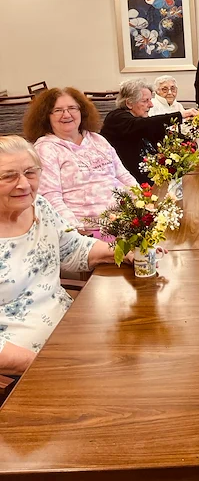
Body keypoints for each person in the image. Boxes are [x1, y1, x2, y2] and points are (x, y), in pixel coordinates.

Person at [0, 135, 131, 376]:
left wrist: (125, 251)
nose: (24, 185)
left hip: (70, 329)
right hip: (28, 365)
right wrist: (46, 365)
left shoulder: (39, 206)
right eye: (9, 176)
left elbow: (73, 249)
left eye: (30, 173)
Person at [23, 87, 137, 230]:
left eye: (72, 108)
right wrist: (76, 229)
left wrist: (142, 200)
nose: (66, 114)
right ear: (46, 116)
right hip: (89, 230)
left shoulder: (97, 139)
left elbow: (123, 175)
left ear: (81, 111)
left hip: (127, 219)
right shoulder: (46, 148)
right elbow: (49, 197)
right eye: (58, 110)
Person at [101, 80, 195, 182]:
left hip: (155, 177)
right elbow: (144, 125)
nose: (151, 105)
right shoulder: (116, 118)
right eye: (145, 101)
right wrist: (180, 115)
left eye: (150, 100)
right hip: (132, 183)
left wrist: (191, 143)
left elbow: (163, 133)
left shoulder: (140, 119)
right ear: (129, 103)